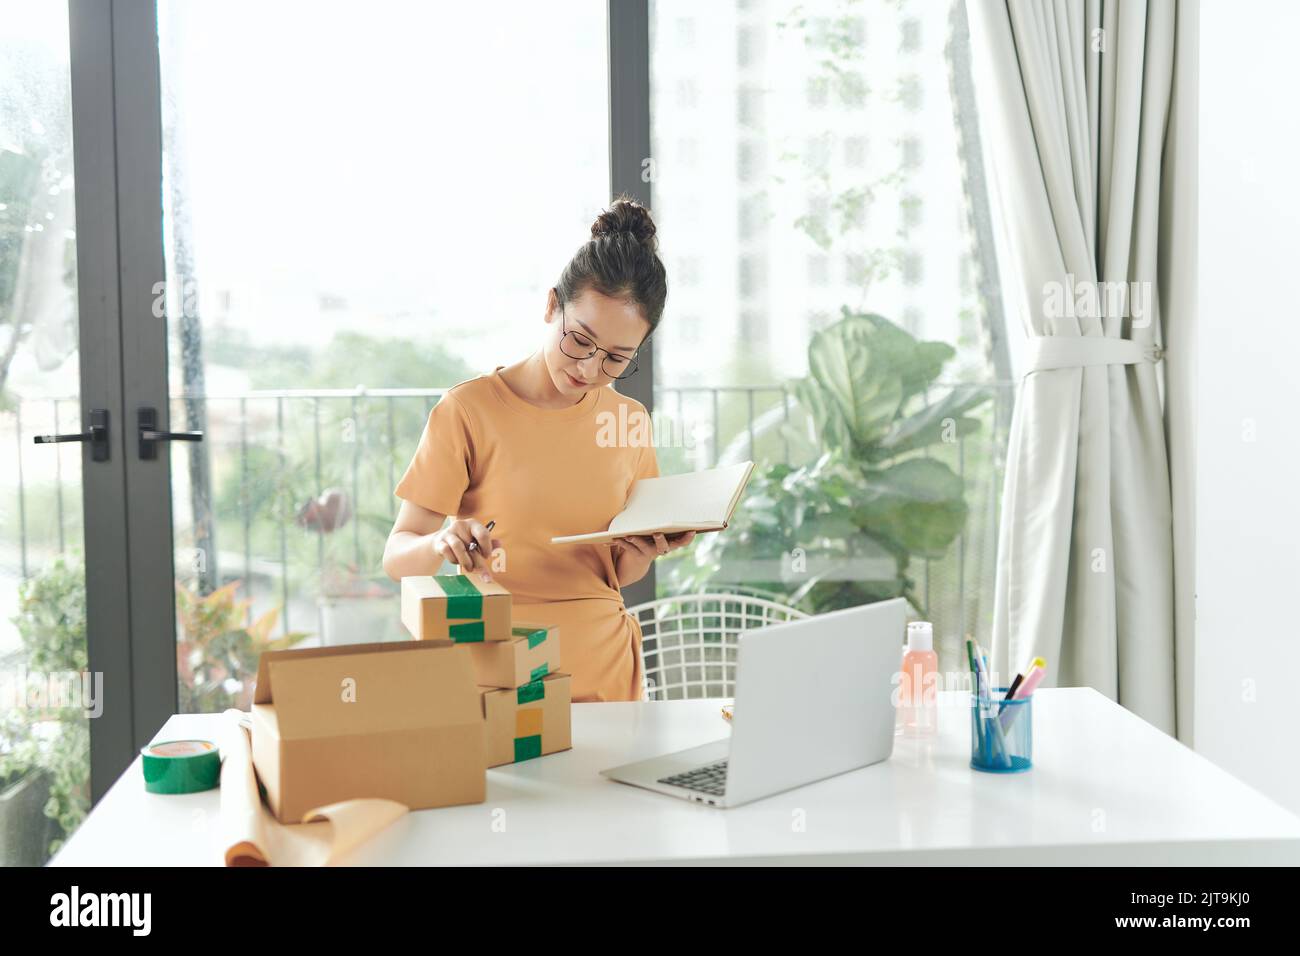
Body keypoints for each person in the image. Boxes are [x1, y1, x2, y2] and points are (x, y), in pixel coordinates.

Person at [383, 196, 695, 701]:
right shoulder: (468, 410)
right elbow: (397, 557)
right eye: (579, 340)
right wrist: (441, 541)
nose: (589, 370)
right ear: (552, 306)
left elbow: (616, 574)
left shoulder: (628, 422)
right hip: (499, 674)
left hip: (606, 678)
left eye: (617, 358)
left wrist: (643, 553)